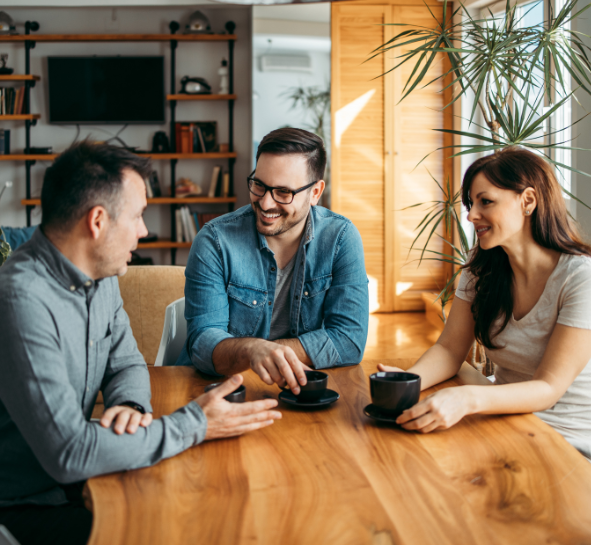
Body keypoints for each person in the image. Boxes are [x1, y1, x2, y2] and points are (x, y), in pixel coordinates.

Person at [0, 141, 281, 545]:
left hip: (80, 481)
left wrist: (128, 405)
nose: (144, 230)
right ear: (97, 221)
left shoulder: (101, 272)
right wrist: (197, 423)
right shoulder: (19, 299)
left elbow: (128, 362)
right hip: (23, 505)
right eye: (137, 216)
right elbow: (69, 454)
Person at [379, 147, 591, 460]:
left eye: (485, 201)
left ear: (528, 201)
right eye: (471, 203)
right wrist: (410, 383)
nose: (471, 215)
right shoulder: (481, 269)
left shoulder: (580, 278)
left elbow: (548, 388)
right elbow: (450, 350)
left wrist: (466, 399)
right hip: (506, 421)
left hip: (568, 441)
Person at [177, 128, 369, 395]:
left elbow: (349, 340)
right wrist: (252, 351)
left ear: (315, 192)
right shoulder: (215, 241)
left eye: (283, 192)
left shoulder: (341, 239)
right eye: (259, 185)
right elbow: (202, 344)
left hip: (301, 392)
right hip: (222, 392)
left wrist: (269, 353)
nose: (265, 203)